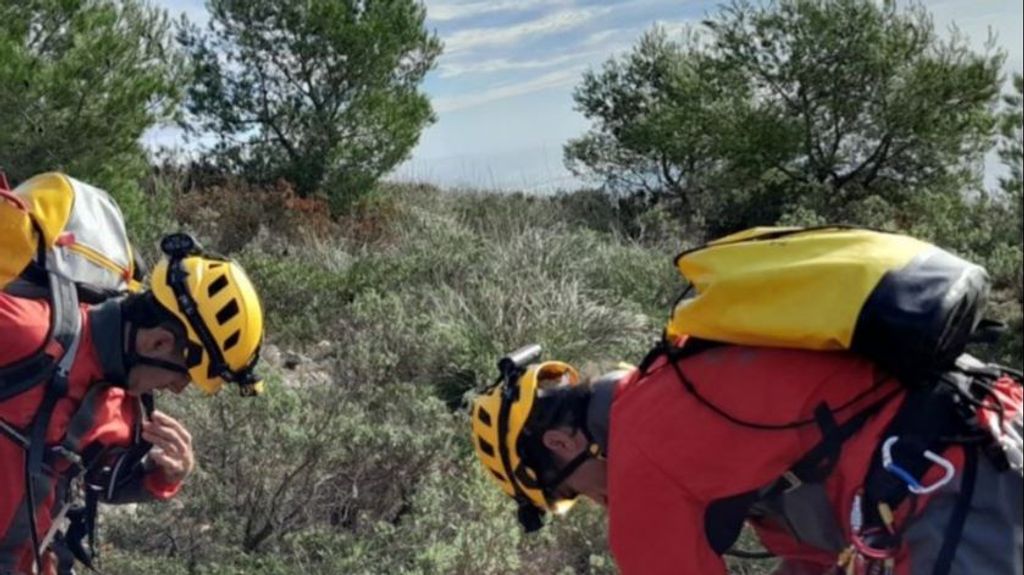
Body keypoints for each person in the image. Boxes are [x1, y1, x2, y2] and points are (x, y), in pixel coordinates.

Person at [471, 342, 1023, 575]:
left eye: (572, 492)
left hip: (948, 483)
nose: (596, 501)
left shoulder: (642, 459)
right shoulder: (673, 387)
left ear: (561, 444)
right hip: (988, 422)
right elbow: (808, 552)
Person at [1, 233, 264, 575]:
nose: (179, 389)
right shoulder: (28, 331)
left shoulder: (122, 405)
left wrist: (162, 475)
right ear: (159, 342)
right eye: (183, 376)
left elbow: (97, 483)